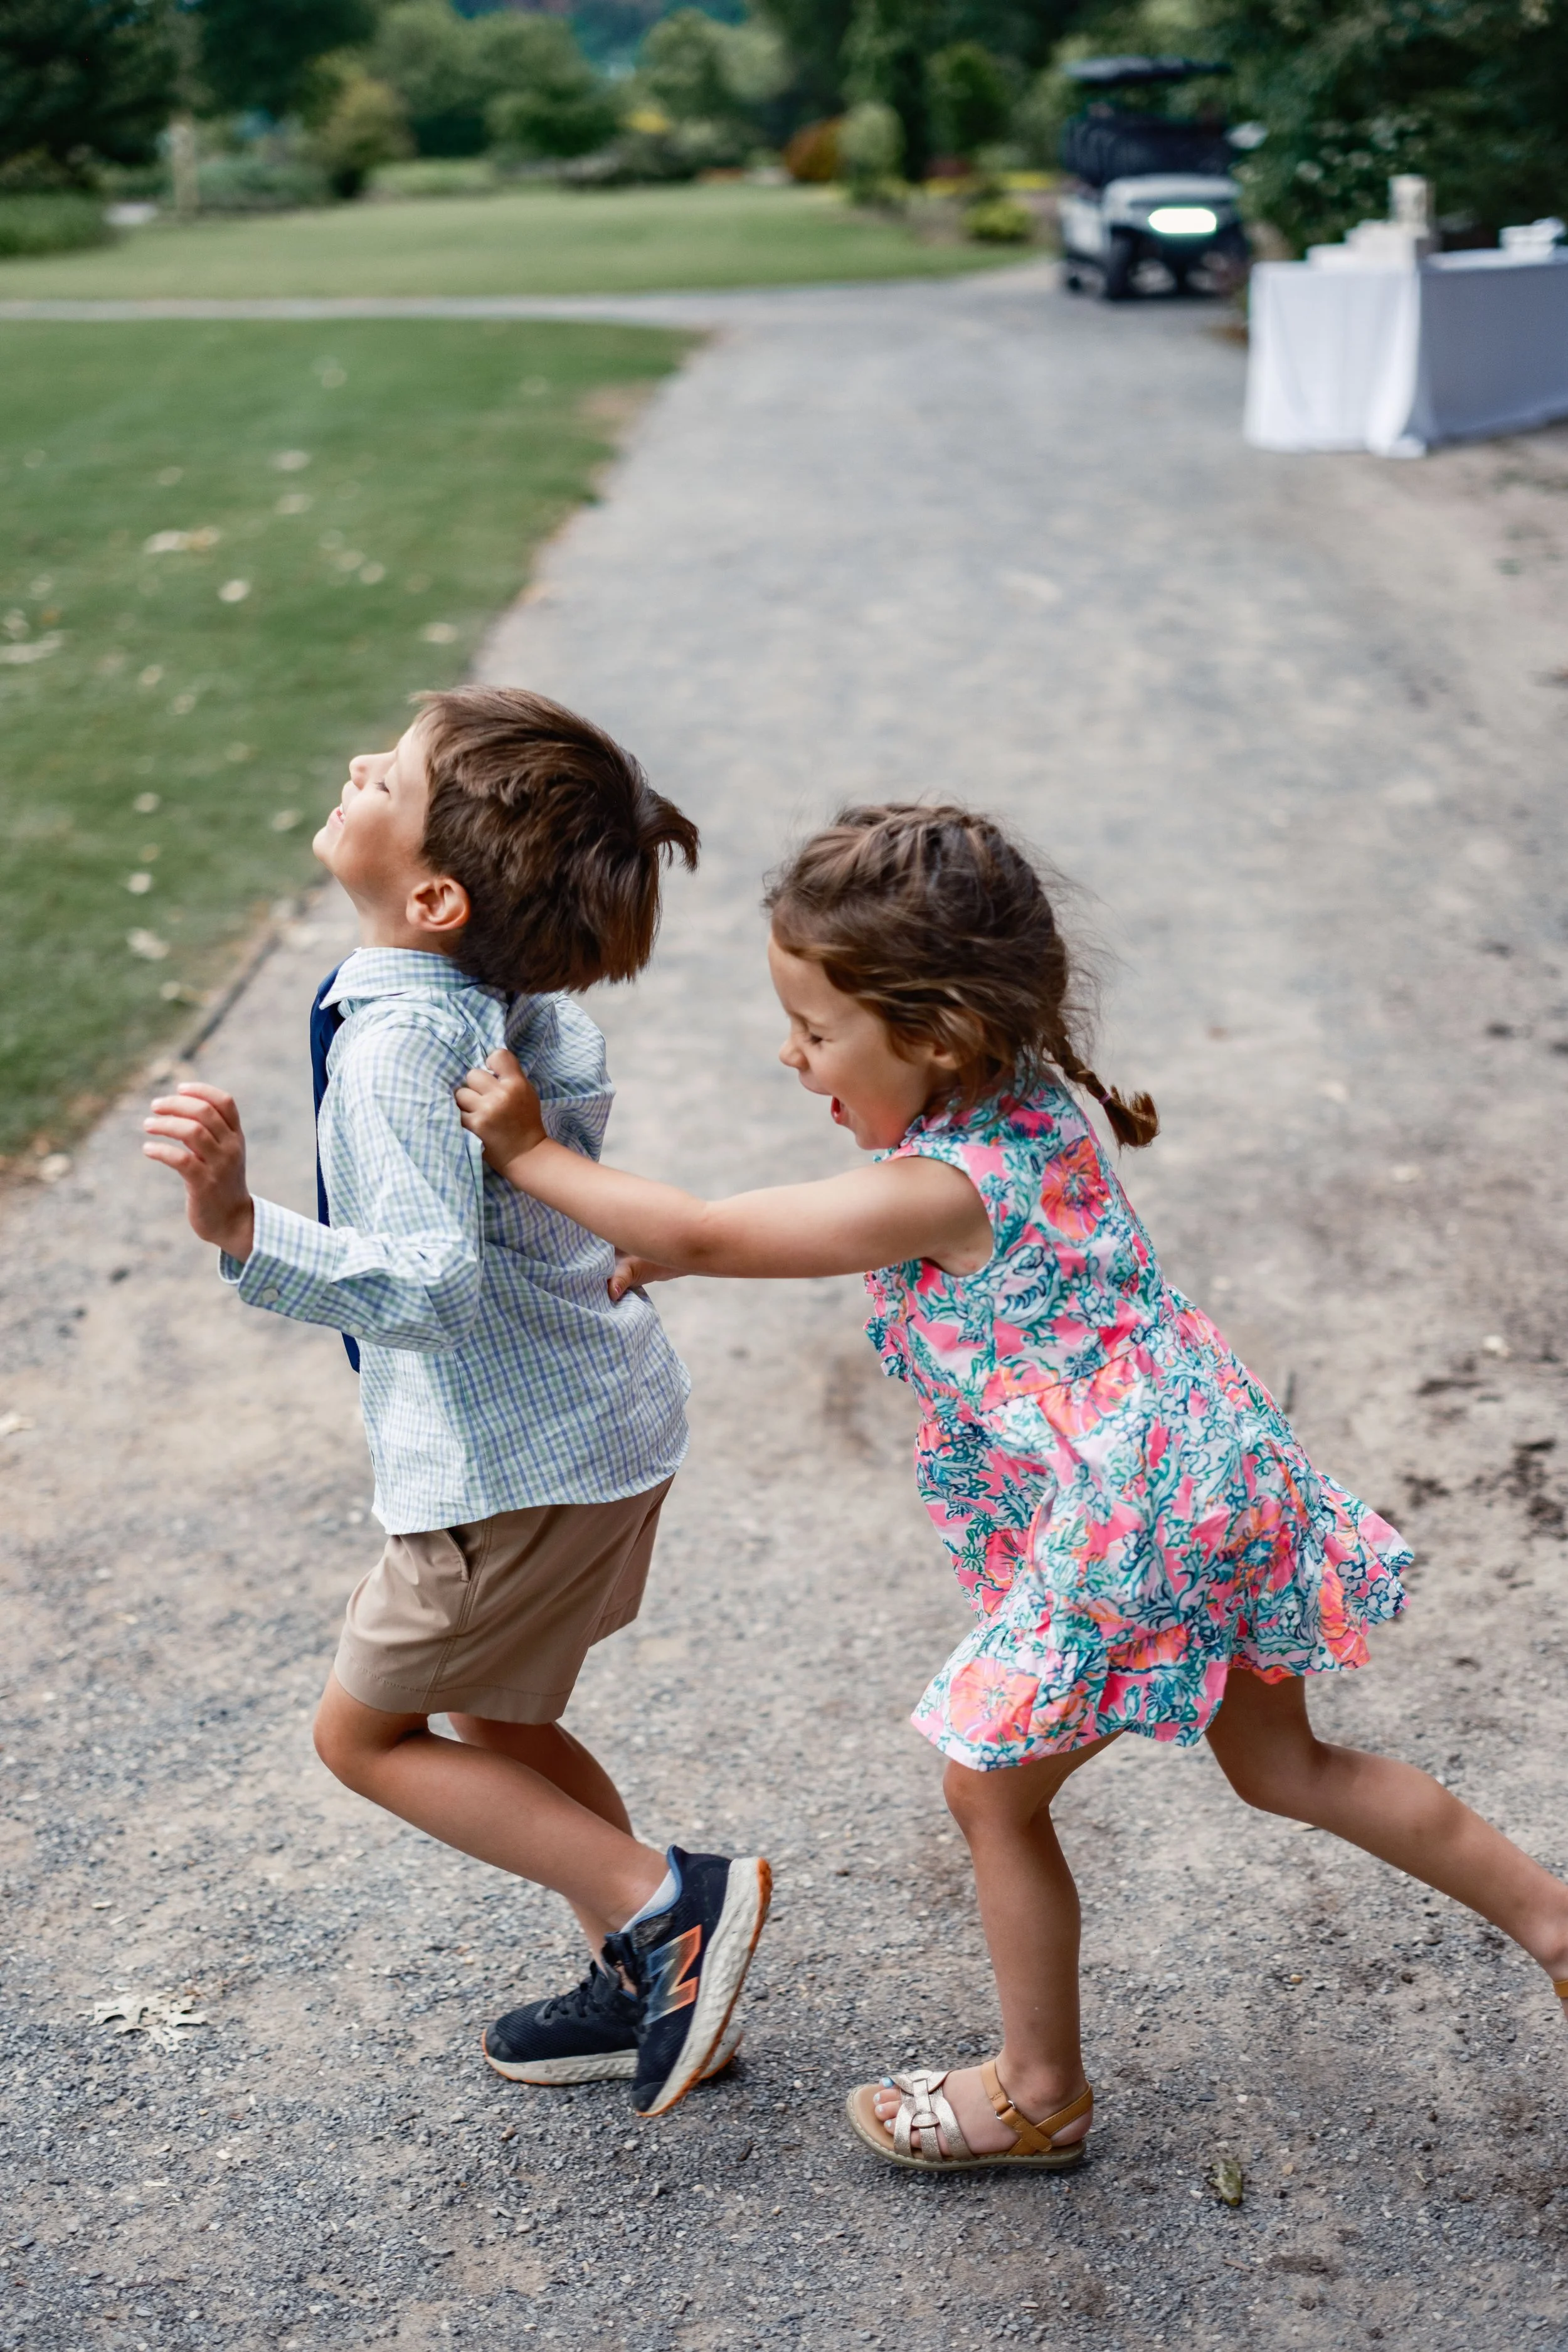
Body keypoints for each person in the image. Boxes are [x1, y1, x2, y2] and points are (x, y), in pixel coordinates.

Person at [455, 800, 1568, 2171]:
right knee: (1287, 1767)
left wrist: (528, 1154)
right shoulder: (1023, 1105)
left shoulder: (944, 1178)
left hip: (1140, 1513)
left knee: (988, 1787)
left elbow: (704, 1226)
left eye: (813, 1033)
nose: (789, 1055)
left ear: (931, 1036)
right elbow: (741, 1234)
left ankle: (1038, 2093)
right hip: (1214, 1467)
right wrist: (687, 1246)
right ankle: (1555, 1927)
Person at [142, 687, 770, 2120]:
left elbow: (424, 1285)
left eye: (393, 773)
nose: (359, 762)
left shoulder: (396, 1048)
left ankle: (668, 1906)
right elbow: (564, 1094)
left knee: (360, 1738)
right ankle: (651, 1969)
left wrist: (244, 1227)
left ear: (431, 894)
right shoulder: (492, 996)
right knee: (494, 1718)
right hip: (598, 1425)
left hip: (508, 1468)